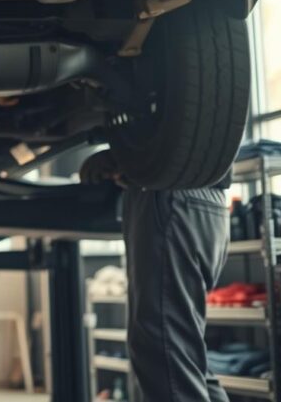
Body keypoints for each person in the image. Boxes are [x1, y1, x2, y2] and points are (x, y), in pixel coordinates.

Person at [81, 150, 230, 402]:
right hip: (205, 202)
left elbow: (162, 128)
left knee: (163, 352)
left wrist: (117, 158)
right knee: (182, 359)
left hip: (170, 197)